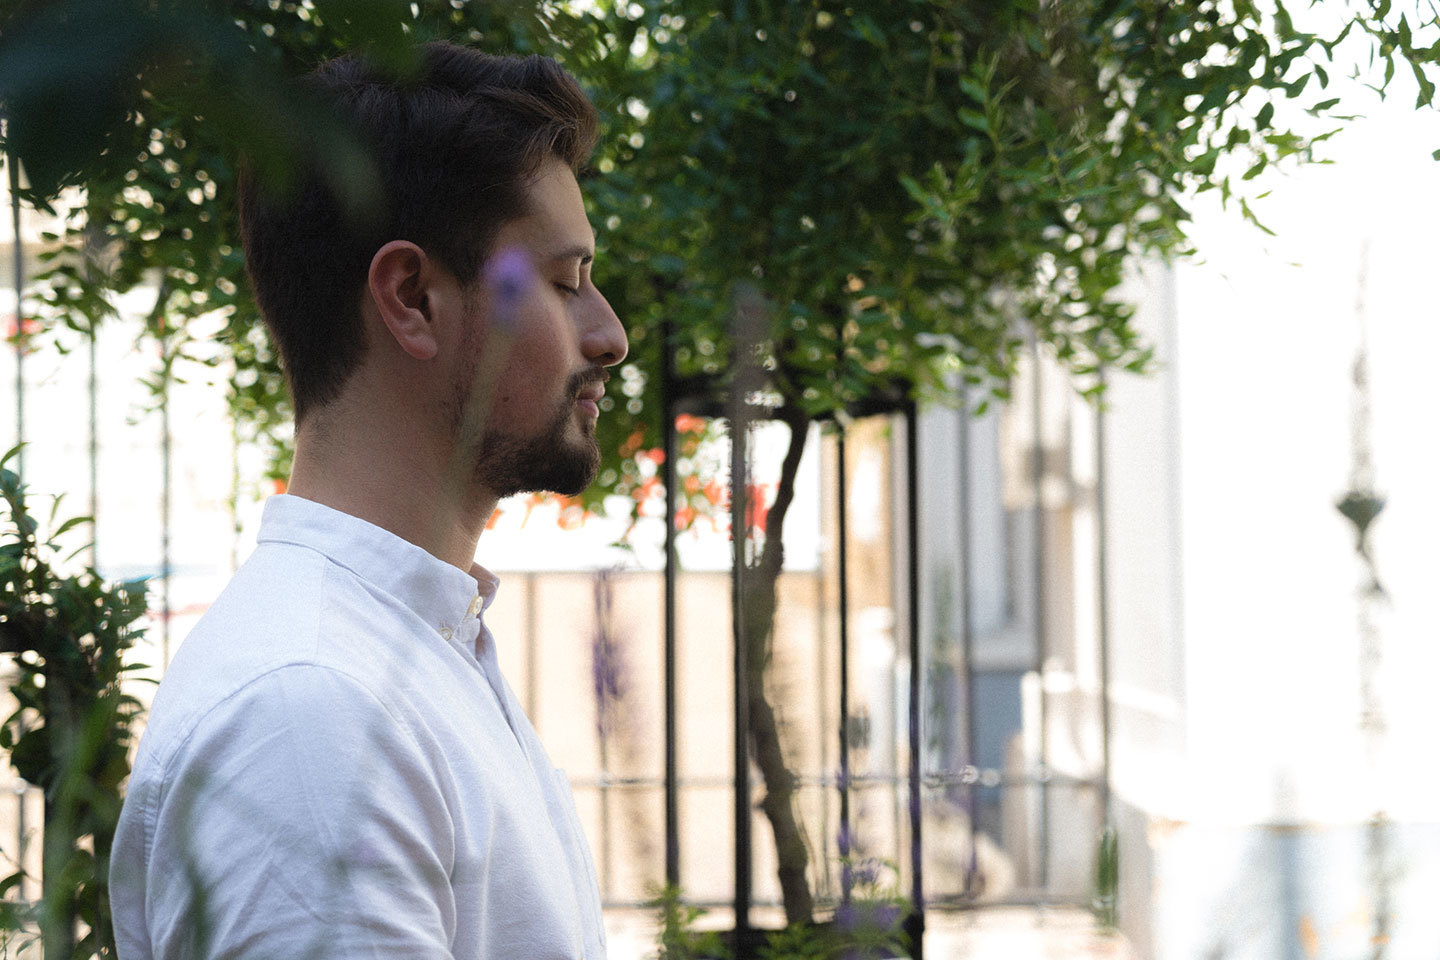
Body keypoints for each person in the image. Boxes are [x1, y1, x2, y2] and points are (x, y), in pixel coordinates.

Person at [110, 42, 626, 960]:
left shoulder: (410, 652)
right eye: (564, 282)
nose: (609, 334)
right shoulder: (312, 719)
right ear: (412, 298)